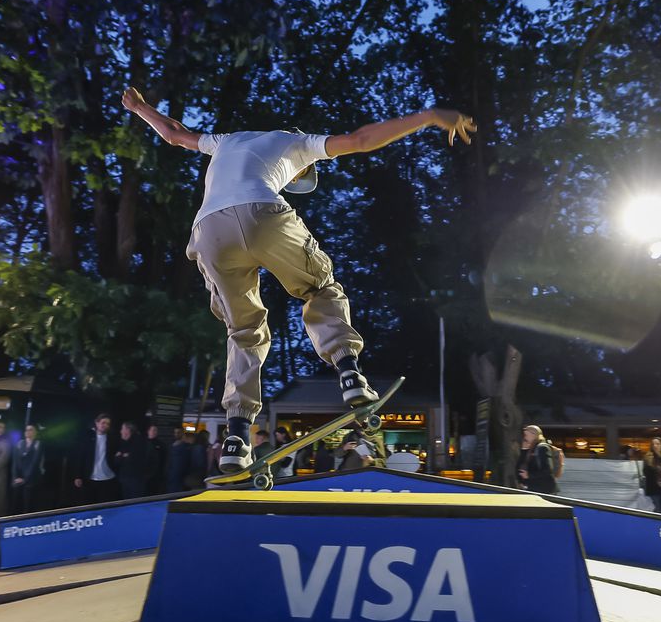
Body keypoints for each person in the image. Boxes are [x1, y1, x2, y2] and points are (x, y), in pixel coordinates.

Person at [123, 87, 475, 474]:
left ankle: (237, 436)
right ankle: (349, 373)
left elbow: (174, 134)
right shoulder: (300, 145)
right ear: (305, 169)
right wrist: (428, 117)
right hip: (263, 213)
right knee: (320, 286)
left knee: (243, 329)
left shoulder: (226, 141)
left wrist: (140, 109)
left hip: (209, 231)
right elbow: (361, 139)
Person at [73, 413, 119, 503]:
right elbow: (80, 457)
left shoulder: (113, 439)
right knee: (89, 505)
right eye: (103, 422)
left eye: (108, 424)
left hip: (108, 478)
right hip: (90, 478)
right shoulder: (87, 438)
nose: (105, 425)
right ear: (97, 423)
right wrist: (77, 476)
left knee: (105, 506)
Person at [517, 425, 563, 494]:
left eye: (525, 434)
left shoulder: (542, 448)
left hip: (544, 490)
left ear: (533, 434)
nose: (524, 437)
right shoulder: (532, 448)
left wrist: (529, 475)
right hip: (535, 489)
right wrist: (524, 450)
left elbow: (547, 470)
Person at [11, 425, 46, 514]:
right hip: (19, 478)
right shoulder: (20, 443)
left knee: (29, 504)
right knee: (16, 504)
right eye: (26, 430)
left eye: (31, 430)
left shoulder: (38, 444)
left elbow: (35, 463)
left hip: (32, 478)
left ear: (35, 432)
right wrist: (16, 477)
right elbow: (15, 462)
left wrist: (25, 479)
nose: (28, 431)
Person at [114, 422, 149, 500]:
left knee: (135, 503)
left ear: (128, 430)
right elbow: (116, 461)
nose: (120, 431)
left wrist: (122, 456)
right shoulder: (123, 443)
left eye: (122, 429)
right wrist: (124, 456)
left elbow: (132, 460)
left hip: (135, 481)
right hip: (125, 480)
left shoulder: (139, 442)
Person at [145, 424, 167, 495]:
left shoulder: (161, 444)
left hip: (157, 474)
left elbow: (164, 458)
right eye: (153, 430)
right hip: (146, 474)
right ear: (148, 431)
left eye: (156, 430)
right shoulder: (143, 443)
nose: (155, 432)